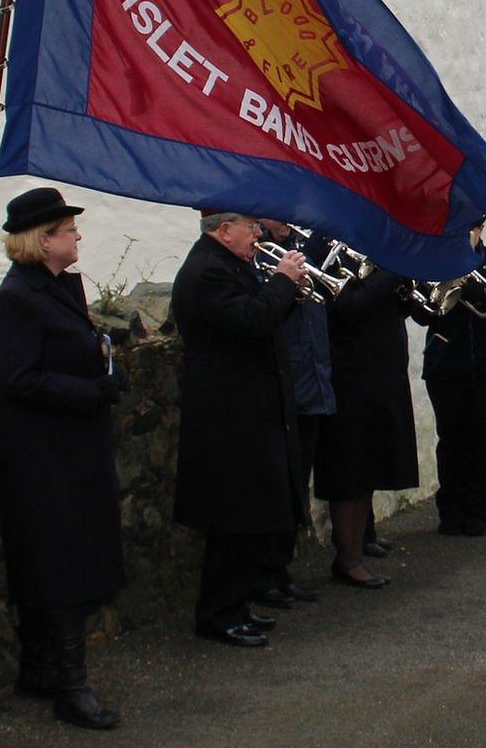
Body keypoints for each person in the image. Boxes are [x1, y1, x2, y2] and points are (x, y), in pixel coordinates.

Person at [0, 187, 124, 730]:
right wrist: (92, 392)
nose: (77, 237)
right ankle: (69, 684)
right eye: (68, 230)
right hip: (42, 457)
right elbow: (18, 379)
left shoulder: (61, 287)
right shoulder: (18, 298)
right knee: (59, 567)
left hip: (72, 450)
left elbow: (79, 349)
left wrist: (108, 371)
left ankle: (40, 669)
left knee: (74, 558)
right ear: (43, 241)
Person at [170, 210, 308, 648]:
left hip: (247, 409)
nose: (258, 234)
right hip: (226, 416)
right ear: (223, 230)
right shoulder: (207, 271)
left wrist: (288, 293)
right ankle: (219, 614)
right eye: (250, 227)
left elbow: (259, 321)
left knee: (247, 517)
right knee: (230, 521)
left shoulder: (229, 264)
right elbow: (249, 320)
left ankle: (238, 606)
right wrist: (283, 282)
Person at [414, 218, 486, 537]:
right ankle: (450, 513)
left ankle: (478, 513)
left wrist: (484, 289)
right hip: (444, 366)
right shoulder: (433, 262)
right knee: (450, 439)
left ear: (481, 231)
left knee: (480, 440)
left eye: (471, 230)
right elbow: (420, 313)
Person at [317, 259, 423, 587]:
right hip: (351, 378)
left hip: (380, 376)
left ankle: (358, 547)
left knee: (368, 470)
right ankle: (348, 559)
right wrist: (392, 271)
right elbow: (348, 307)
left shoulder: (372, 258)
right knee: (349, 471)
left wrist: (405, 291)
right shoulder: (332, 258)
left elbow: (392, 309)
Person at [254, 218, 326, 609]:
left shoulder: (302, 246)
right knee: (277, 487)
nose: (285, 217)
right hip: (284, 383)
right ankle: (264, 575)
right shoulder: (259, 253)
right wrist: (285, 282)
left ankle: (282, 570)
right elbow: (263, 314)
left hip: (313, 380)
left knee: (297, 484)